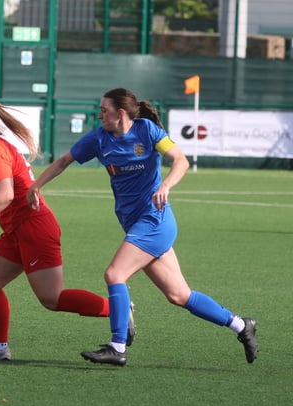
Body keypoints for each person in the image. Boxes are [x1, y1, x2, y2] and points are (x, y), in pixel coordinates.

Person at [27, 87, 258, 367]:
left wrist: (166, 185)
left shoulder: (147, 130)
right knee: (179, 295)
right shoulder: (99, 139)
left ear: (120, 113)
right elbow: (64, 161)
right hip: (136, 225)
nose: (99, 115)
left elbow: (180, 160)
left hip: (154, 221)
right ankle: (241, 325)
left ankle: (117, 347)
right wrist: (36, 185)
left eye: (104, 110)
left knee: (114, 274)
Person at [0, 100, 125, 361]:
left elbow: (5, 196)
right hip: (16, 230)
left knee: (52, 298)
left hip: (34, 228)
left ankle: (119, 309)